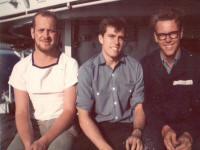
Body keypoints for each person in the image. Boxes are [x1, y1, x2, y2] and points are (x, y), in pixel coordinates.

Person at [7, 10, 78, 150]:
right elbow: (22, 112)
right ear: (33, 33)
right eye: (41, 30)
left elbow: (69, 111)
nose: (46, 35)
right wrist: (28, 144)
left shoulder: (69, 64)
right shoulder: (20, 68)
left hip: (61, 126)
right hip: (31, 125)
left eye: (50, 31)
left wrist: (43, 141)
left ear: (57, 34)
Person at [76, 17, 145, 150]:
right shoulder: (87, 70)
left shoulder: (135, 67)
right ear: (101, 38)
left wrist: (137, 132)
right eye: (111, 36)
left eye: (120, 37)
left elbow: (139, 107)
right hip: (96, 128)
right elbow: (83, 117)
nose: (116, 42)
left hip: (127, 127)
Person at [141, 8, 200, 150]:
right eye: (162, 35)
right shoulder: (145, 65)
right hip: (157, 129)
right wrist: (164, 129)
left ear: (181, 33)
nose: (167, 39)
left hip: (193, 128)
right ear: (155, 37)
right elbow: (147, 106)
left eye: (172, 34)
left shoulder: (196, 64)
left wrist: (189, 134)